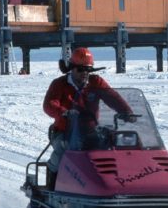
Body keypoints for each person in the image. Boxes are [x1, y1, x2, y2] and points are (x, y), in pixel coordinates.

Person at [42, 47, 133, 189]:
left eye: (88, 70)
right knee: (63, 153)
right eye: (81, 70)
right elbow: (49, 104)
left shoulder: (96, 82)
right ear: (72, 69)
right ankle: (52, 187)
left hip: (90, 130)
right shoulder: (59, 84)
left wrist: (126, 111)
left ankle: (116, 185)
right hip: (64, 131)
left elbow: (112, 97)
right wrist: (63, 112)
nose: (85, 74)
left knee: (114, 147)